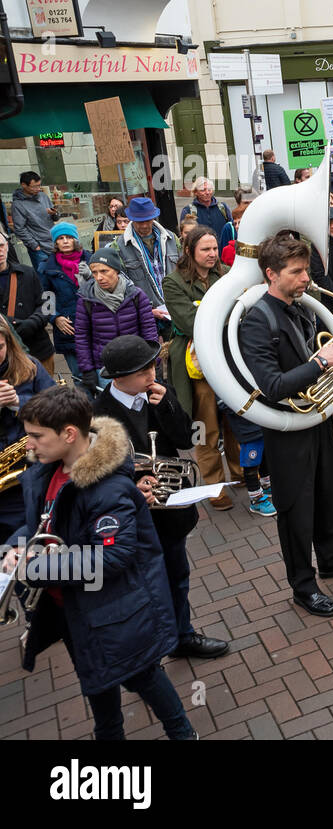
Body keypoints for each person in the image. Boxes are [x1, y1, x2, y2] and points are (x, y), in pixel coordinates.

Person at [4, 386, 196, 739]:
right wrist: (14, 547)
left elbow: (114, 556)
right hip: (75, 611)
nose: (27, 445)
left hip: (114, 611)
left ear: (69, 434)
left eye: (35, 436)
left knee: (143, 675)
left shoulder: (109, 490)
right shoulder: (48, 471)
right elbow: (39, 523)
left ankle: (182, 732)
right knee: (95, 682)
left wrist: (34, 568)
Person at [238, 232, 333, 617]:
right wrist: (322, 363)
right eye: (297, 272)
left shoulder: (300, 307)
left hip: (314, 420)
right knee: (296, 509)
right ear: (271, 274)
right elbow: (273, 384)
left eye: (306, 271)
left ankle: (332, 561)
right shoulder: (256, 321)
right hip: (285, 430)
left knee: (328, 495)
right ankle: (302, 584)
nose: (305, 278)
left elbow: (308, 363)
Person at [93, 335, 230, 659]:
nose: (152, 375)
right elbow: (99, 471)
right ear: (119, 379)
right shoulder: (99, 414)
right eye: (143, 372)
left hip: (169, 510)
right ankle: (150, 648)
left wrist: (167, 402)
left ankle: (183, 636)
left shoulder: (159, 392)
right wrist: (132, 484)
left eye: (152, 366)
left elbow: (185, 436)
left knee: (177, 574)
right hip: (134, 514)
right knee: (143, 584)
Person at [163, 226, 255, 513]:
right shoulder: (173, 281)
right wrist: (223, 317)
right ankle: (214, 486)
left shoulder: (225, 273)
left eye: (215, 248)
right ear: (189, 251)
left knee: (234, 420)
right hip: (196, 366)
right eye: (206, 249)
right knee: (205, 428)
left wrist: (213, 314)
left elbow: (243, 310)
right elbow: (192, 323)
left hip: (227, 359)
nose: (213, 254)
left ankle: (240, 472)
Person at [0, 318, 55, 541]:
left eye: (1, 347)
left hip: (28, 472)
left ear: (9, 343)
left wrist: (17, 403)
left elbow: (57, 409)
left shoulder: (30, 366)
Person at [75, 247, 159, 389]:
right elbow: (82, 337)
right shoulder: (86, 299)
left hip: (137, 364)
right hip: (105, 369)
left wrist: (153, 362)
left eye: (104, 271)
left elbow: (149, 330)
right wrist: (87, 369)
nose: (99, 277)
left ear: (116, 270)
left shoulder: (136, 295)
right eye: (94, 272)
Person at [113, 196, 179, 336]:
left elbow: (183, 272)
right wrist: (147, 310)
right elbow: (121, 286)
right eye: (139, 221)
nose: (143, 225)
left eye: (147, 220)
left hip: (174, 310)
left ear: (154, 217)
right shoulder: (119, 246)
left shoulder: (171, 238)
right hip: (143, 316)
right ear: (132, 219)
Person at [41, 222, 92, 392]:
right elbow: (44, 298)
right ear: (55, 243)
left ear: (75, 239)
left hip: (95, 323)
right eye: (60, 239)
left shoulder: (90, 259)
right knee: (78, 377)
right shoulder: (48, 267)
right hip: (68, 327)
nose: (65, 241)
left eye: (69, 237)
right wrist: (55, 318)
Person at [0, 230, 56, 376]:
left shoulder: (28, 272)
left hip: (38, 348)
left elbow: (46, 304)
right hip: (6, 357)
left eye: (1, 245)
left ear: (7, 246)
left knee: (47, 395)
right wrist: (10, 324)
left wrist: (32, 323)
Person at [10, 170, 56, 270]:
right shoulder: (18, 204)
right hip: (39, 248)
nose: (38, 189)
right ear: (24, 185)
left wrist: (54, 213)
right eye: (34, 186)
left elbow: (55, 217)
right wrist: (34, 246)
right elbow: (19, 229)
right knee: (44, 279)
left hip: (54, 242)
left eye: (39, 185)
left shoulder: (43, 196)